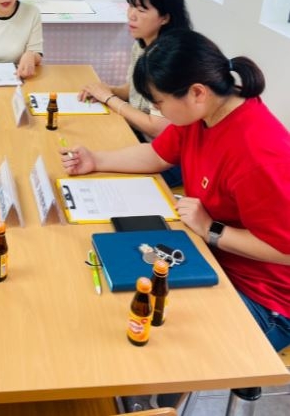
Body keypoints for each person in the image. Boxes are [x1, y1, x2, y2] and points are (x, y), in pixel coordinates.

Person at [62, 29, 290, 351]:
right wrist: (96, 160)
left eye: (159, 102)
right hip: (208, 258)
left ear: (197, 92)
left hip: (264, 300)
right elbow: (158, 155)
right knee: (117, 301)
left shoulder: (258, 152)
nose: (158, 111)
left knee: (160, 347)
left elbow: (284, 249)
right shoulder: (203, 114)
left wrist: (212, 230)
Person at [78, 0, 191, 187]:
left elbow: (157, 128)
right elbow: (135, 90)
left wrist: (110, 99)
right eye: (131, 6)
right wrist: (107, 91)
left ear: (165, 17)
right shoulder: (141, 45)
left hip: (168, 157)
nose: (131, 15)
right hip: (141, 139)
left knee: (99, 179)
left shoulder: (170, 61)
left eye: (141, 10)